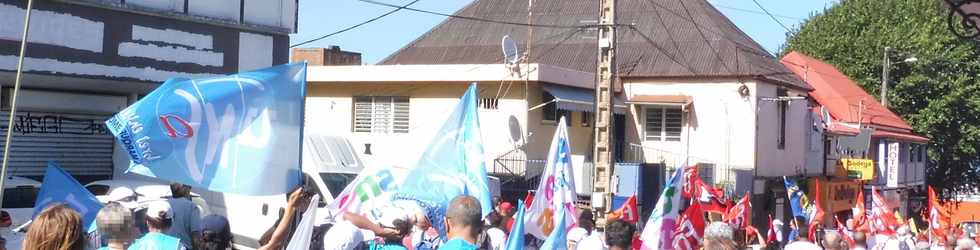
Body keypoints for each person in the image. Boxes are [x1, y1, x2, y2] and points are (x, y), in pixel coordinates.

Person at [166, 183, 201, 249]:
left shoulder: (165, 204)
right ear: (185, 189)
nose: (190, 190)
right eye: (189, 187)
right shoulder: (192, 207)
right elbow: (195, 236)